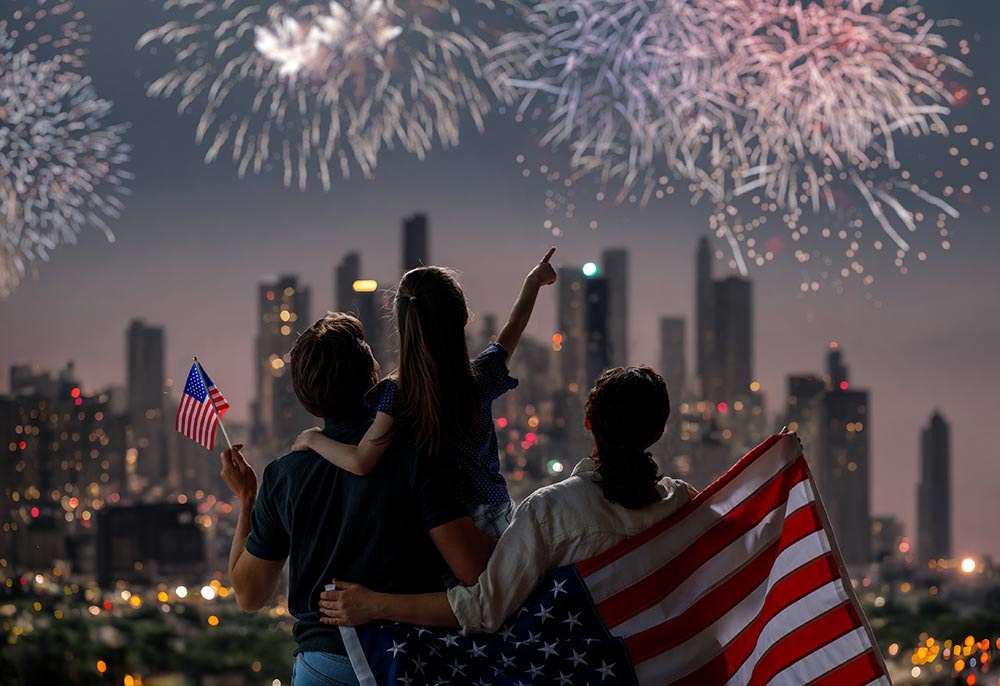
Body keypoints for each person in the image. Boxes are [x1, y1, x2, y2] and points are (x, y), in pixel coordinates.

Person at [315, 365, 700, 634]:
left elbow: (483, 608)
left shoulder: (550, 511)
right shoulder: (682, 503)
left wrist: (374, 605)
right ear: (659, 430)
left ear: (589, 422)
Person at [218, 313, 493, 686]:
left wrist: (247, 500)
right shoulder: (415, 453)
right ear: (372, 379)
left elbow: (249, 595)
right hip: (406, 661)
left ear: (306, 399)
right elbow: (474, 570)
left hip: (323, 666)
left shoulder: (284, 476)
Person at [292, 247, 558, 537]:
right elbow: (512, 329)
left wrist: (313, 438)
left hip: (445, 523)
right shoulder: (479, 377)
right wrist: (533, 282)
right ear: (465, 318)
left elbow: (360, 461)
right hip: (496, 513)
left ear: (405, 327)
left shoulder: (399, 392)